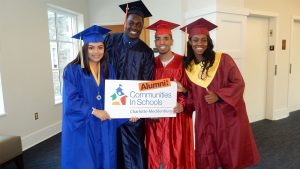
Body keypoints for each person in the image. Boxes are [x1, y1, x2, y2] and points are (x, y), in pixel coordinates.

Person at [180, 18, 260, 169]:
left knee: (229, 153)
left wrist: (219, 95)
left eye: (204, 40)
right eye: (195, 40)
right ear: (190, 42)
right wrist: (184, 92)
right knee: (207, 153)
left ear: (208, 42)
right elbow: (192, 97)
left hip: (225, 116)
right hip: (205, 119)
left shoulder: (223, 59)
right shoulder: (188, 68)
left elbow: (238, 83)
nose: (199, 44)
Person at [61, 25, 126, 169]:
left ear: (104, 48)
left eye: (100, 47)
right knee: (86, 161)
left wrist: (128, 113)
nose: (96, 52)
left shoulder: (108, 69)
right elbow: (71, 100)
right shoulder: (72, 70)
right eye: (91, 47)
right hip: (85, 125)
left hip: (104, 124)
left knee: (105, 158)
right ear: (84, 48)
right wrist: (93, 111)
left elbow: (117, 96)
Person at [104, 1, 154, 169]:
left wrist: (138, 110)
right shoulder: (110, 40)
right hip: (110, 107)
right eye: (132, 22)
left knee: (134, 148)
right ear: (125, 21)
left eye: (139, 24)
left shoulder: (146, 52)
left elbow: (147, 82)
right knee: (112, 146)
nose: (135, 27)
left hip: (133, 112)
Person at [145, 20, 195, 169]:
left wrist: (183, 103)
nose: (162, 42)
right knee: (155, 155)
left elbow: (194, 90)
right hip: (156, 118)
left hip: (177, 118)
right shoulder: (150, 63)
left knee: (177, 155)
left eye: (166, 38)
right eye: (158, 38)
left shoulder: (184, 62)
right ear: (154, 41)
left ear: (172, 40)